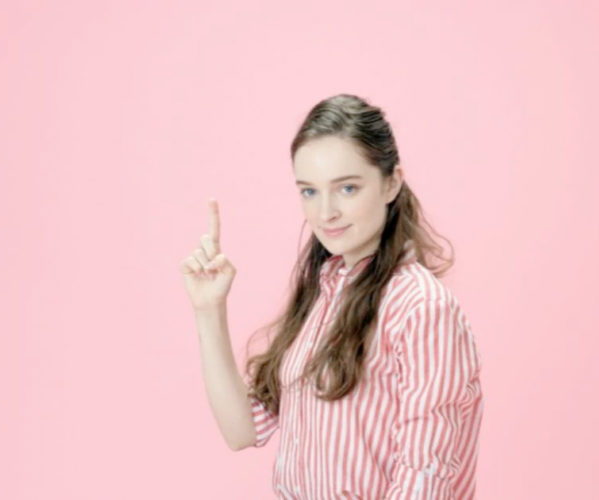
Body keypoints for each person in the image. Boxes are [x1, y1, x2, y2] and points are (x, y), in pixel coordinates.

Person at [180, 94, 484, 499]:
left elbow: (424, 478)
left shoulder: (422, 308)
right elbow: (242, 430)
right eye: (309, 191)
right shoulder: (323, 295)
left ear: (392, 182)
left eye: (347, 188)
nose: (325, 213)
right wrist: (208, 309)